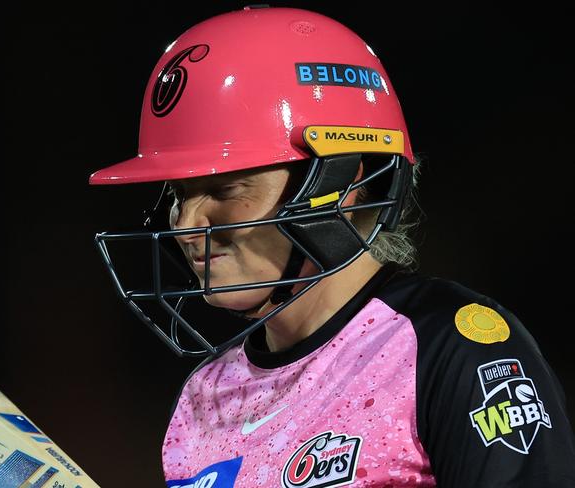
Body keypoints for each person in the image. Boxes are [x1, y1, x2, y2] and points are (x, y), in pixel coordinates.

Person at [88, 6, 575, 487]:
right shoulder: (205, 396)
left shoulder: (452, 350)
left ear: (342, 181)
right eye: (178, 195)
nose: (186, 226)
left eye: (224, 190)